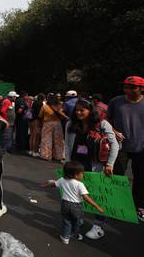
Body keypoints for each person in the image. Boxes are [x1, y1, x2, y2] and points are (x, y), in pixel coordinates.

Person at [64, 99, 118, 239]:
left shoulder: (102, 124)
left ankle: (98, 225)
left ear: (90, 110)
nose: (79, 112)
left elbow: (114, 145)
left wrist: (110, 164)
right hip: (76, 164)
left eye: (82, 110)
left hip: (95, 166)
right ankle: (78, 218)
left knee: (97, 196)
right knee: (76, 194)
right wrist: (68, 162)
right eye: (77, 110)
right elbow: (68, 145)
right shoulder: (71, 123)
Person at [107, 76, 144, 221]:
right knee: (117, 176)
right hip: (120, 147)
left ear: (141, 88)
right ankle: (117, 204)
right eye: (126, 86)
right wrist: (114, 132)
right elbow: (107, 120)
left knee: (141, 178)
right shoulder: (115, 102)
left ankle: (139, 206)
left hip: (141, 147)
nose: (127, 89)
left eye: (132, 87)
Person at [42, 161, 105, 245]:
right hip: (76, 206)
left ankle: (65, 237)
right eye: (82, 173)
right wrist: (97, 206)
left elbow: (53, 184)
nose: (83, 175)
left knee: (67, 221)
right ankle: (74, 234)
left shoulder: (62, 180)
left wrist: (45, 186)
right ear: (76, 175)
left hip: (64, 204)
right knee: (76, 222)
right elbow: (86, 197)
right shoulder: (80, 184)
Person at [39, 94, 69, 161]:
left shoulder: (45, 106)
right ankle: (58, 156)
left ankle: (46, 155)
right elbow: (62, 115)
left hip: (47, 124)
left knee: (46, 140)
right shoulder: (59, 106)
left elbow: (40, 115)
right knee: (58, 140)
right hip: (57, 124)